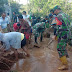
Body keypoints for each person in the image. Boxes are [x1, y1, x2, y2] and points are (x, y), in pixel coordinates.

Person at [52, 5, 70, 70]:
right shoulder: (66, 15)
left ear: (56, 10)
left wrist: (55, 35)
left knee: (60, 48)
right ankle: (65, 57)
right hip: (69, 34)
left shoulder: (58, 16)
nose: (54, 13)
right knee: (64, 46)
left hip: (63, 34)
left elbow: (59, 27)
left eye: (54, 11)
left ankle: (65, 65)